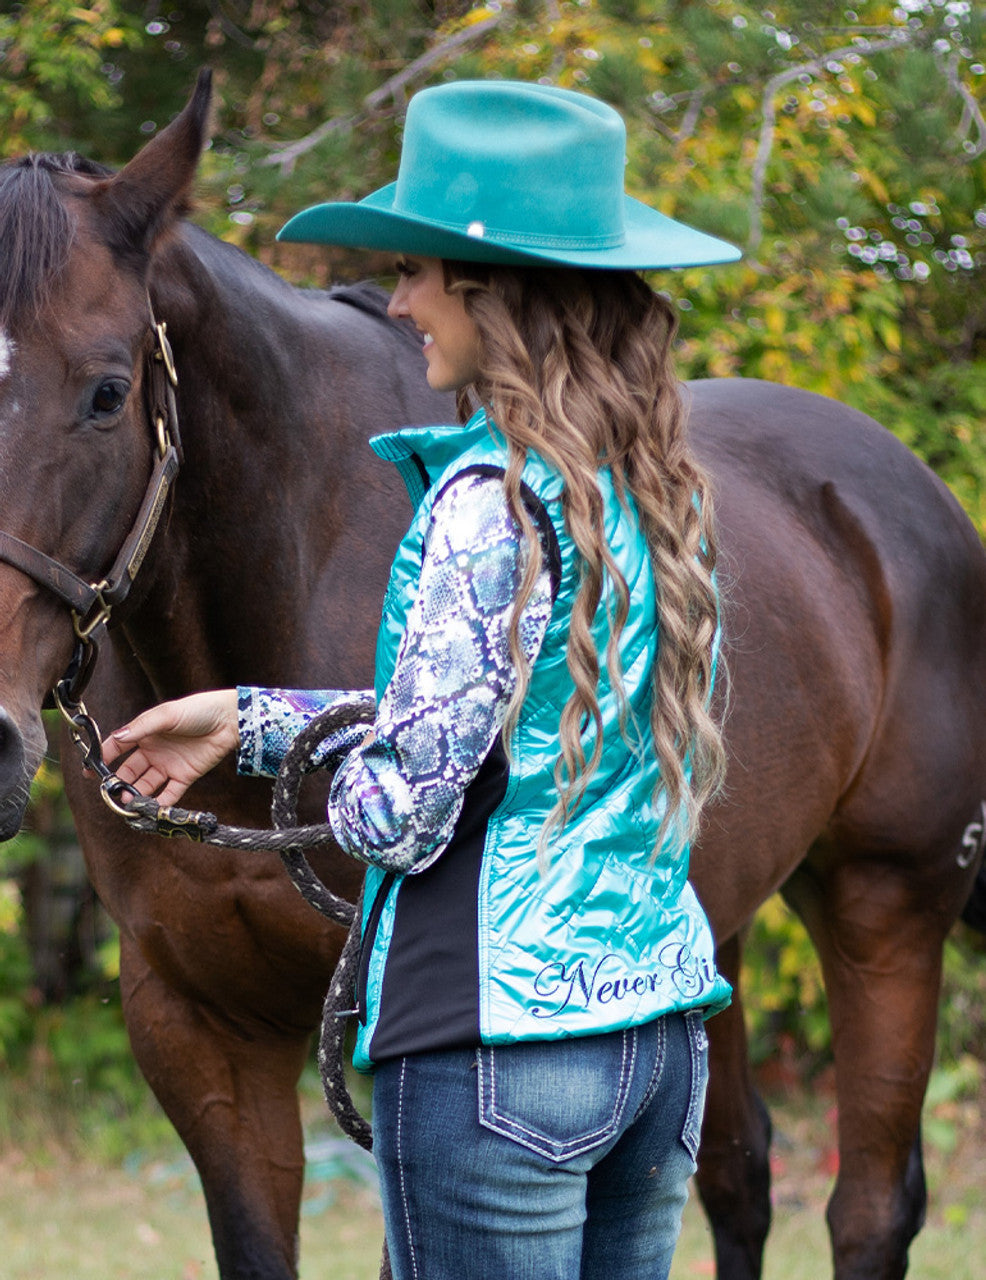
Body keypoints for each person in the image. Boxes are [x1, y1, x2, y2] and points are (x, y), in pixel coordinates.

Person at [105, 79, 739, 1280]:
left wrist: (304, 798)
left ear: (492, 290)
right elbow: (516, 730)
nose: (396, 305)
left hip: (491, 1047)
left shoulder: (480, 502)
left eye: (418, 274)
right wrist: (249, 720)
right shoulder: (660, 497)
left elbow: (401, 807)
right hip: (654, 1038)